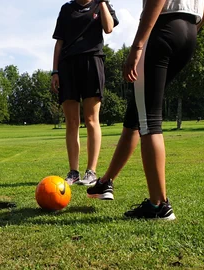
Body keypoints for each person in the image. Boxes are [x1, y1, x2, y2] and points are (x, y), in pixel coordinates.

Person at [87, 0, 204, 220]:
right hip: (189, 32)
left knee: (149, 121)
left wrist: (137, 46)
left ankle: (159, 205)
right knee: (136, 114)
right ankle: (106, 182)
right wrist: (186, 32)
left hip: (162, 30)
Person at [50, 0, 119, 186]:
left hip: (92, 62)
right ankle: (73, 172)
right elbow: (59, 42)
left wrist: (103, 2)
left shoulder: (100, 4)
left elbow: (109, 28)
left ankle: (91, 172)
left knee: (91, 119)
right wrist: (55, 71)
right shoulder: (67, 9)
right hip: (67, 66)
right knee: (72, 122)